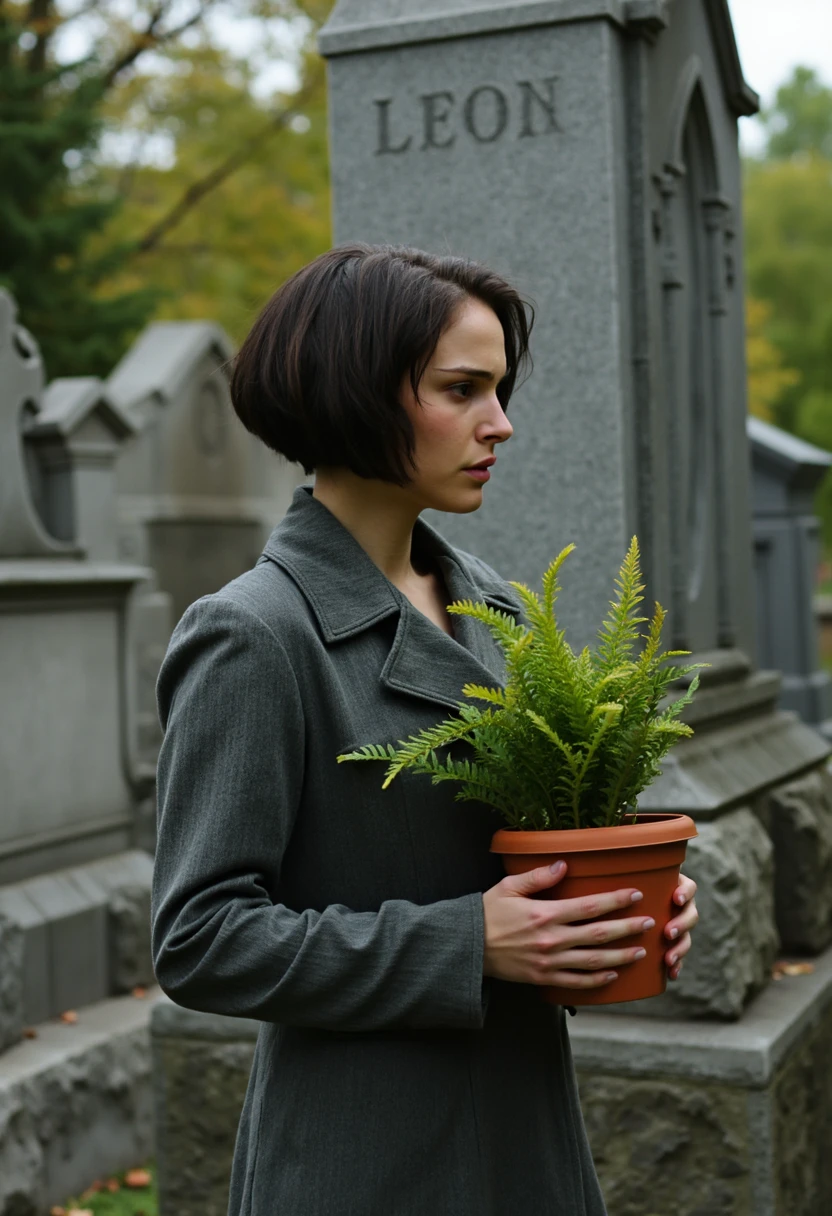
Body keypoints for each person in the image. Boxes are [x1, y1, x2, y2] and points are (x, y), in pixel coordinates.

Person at [151, 244, 698, 1216]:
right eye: (464, 389)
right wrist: (467, 943)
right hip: (365, 1156)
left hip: (526, 1135)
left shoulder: (492, 603)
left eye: (499, 387)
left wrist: (611, 909)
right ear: (357, 391)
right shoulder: (254, 633)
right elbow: (200, 938)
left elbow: (526, 853)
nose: (501, 422)